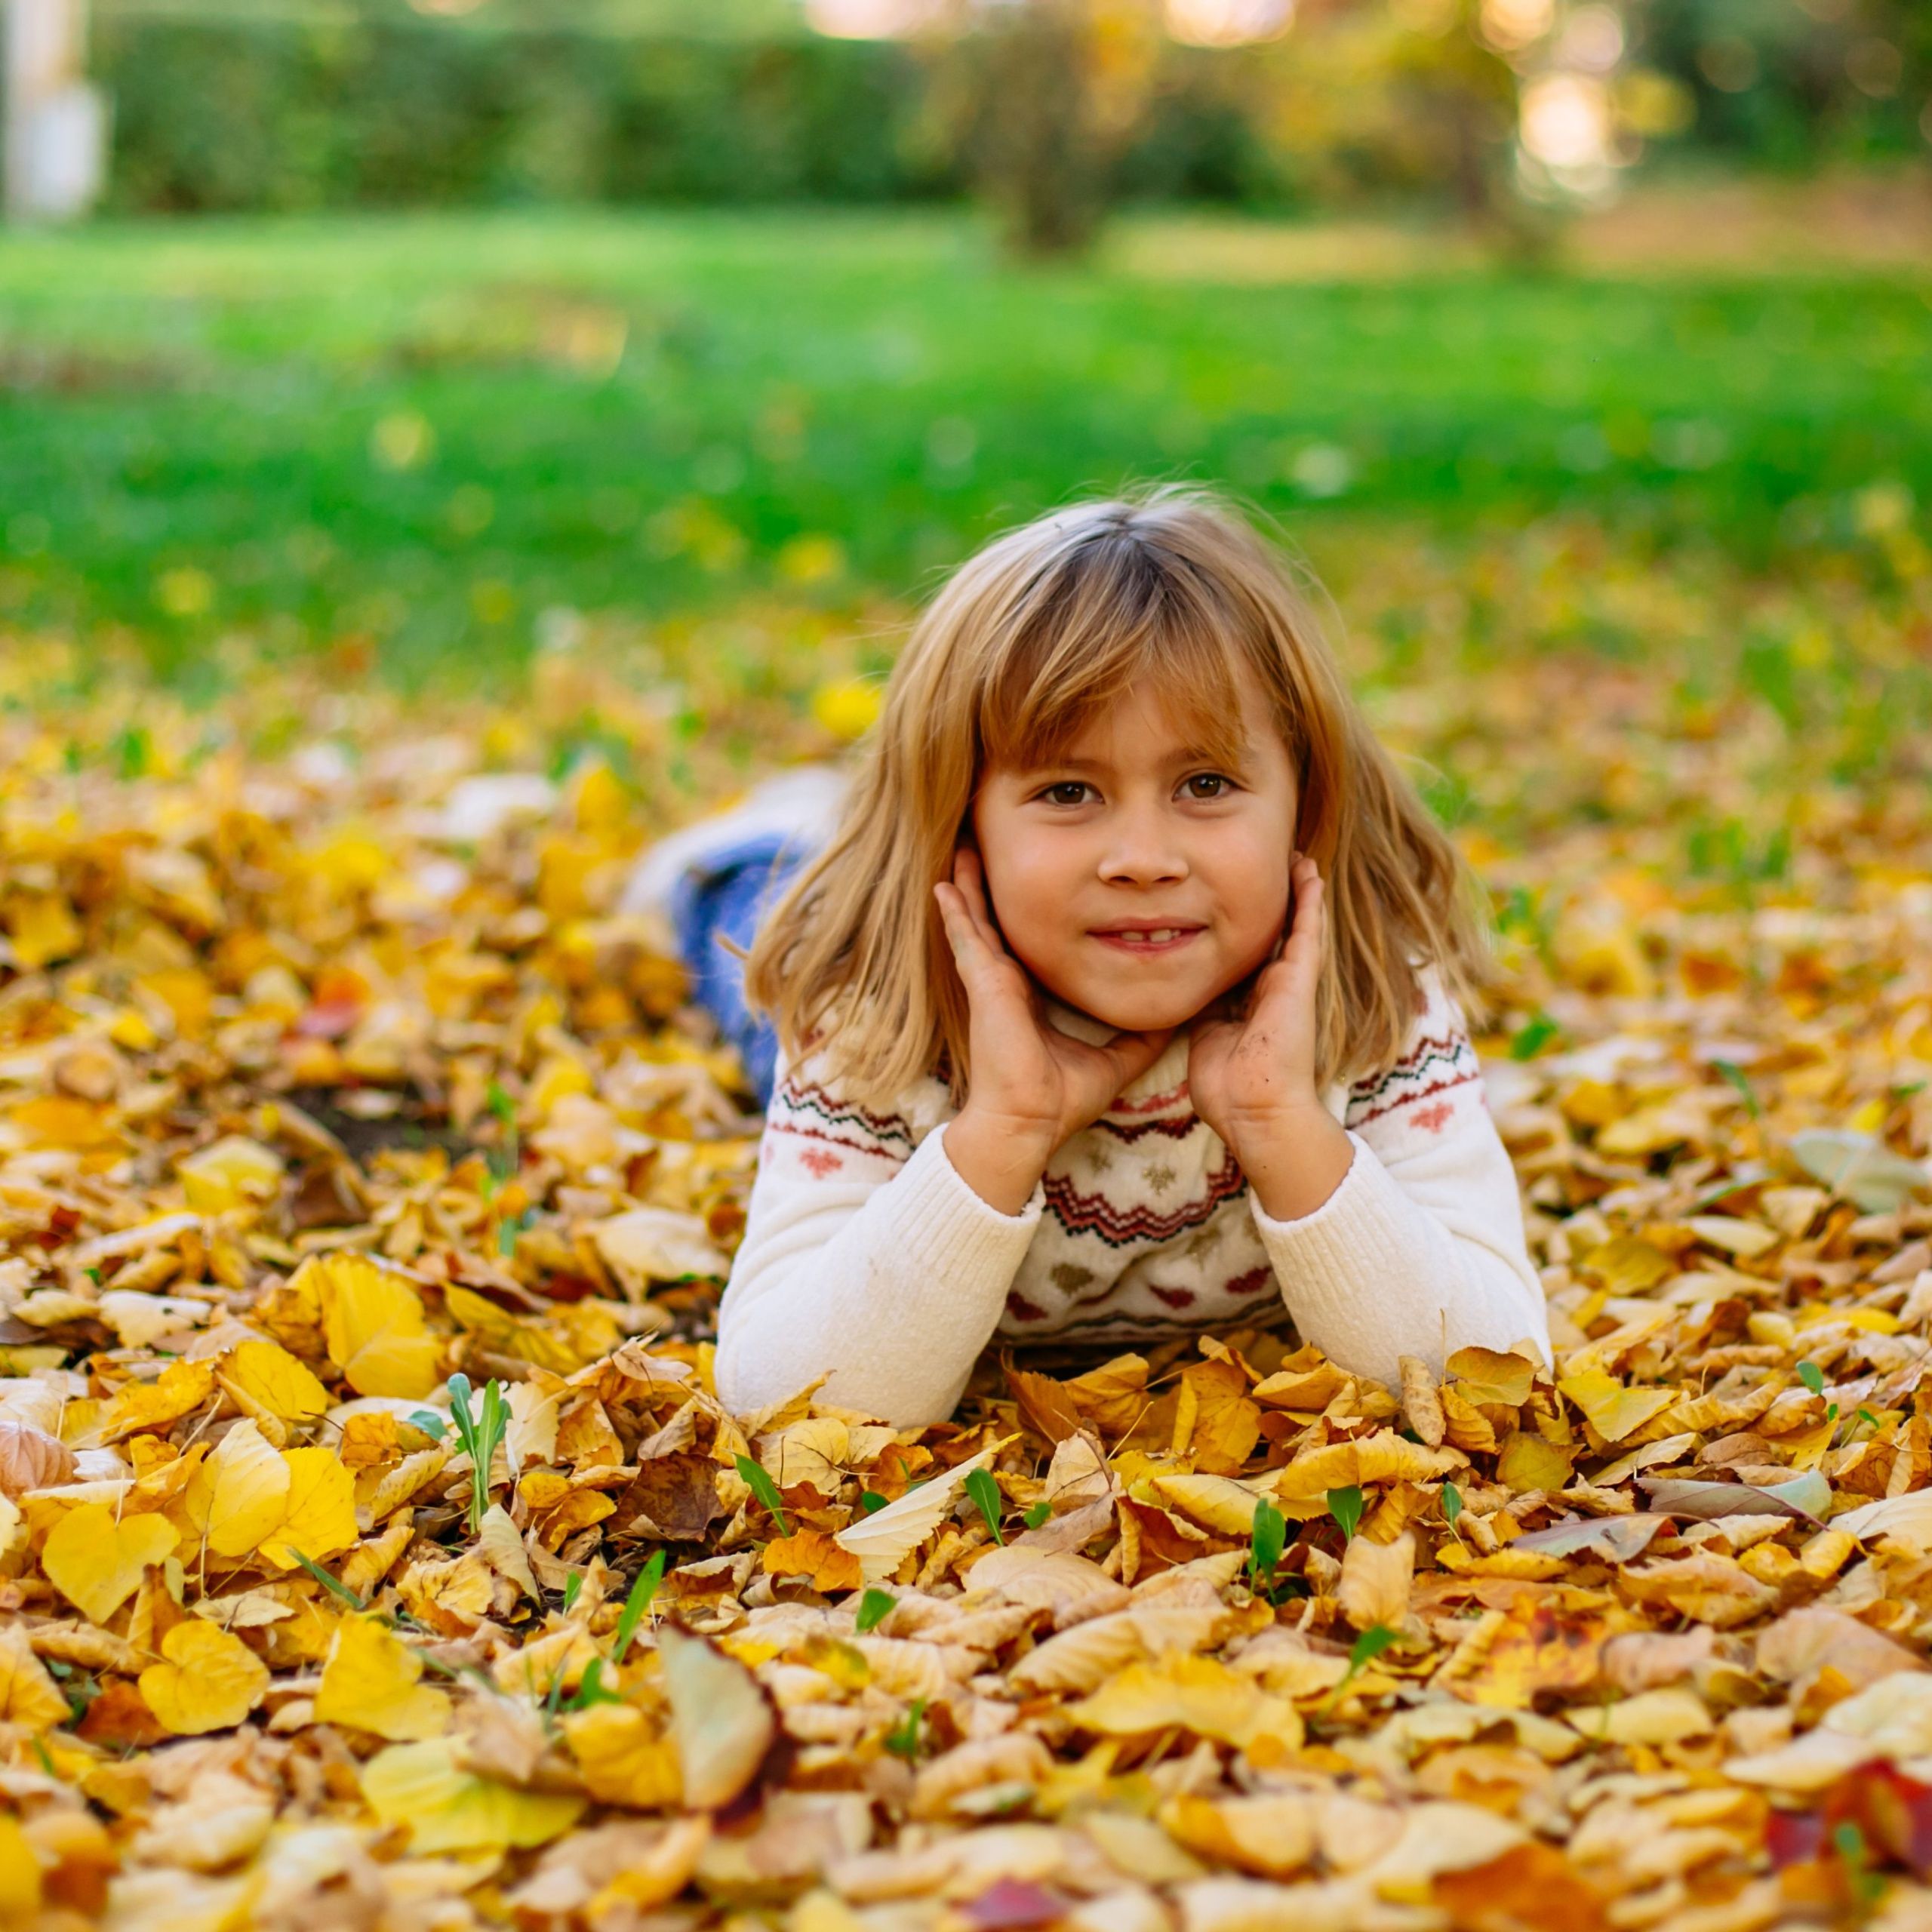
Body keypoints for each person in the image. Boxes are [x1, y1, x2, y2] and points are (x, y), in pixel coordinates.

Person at [629, 491, 1550, 1428]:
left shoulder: (1372, 998)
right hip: (925, 988)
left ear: (1305, 803)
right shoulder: (870, 1011)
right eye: (1069, 790)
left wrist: (1281, 1123)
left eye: (1205, 783)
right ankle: (735, 857)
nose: (1142, 858)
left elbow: (1494, 1378)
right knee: (767, 944)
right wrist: (1000, 1130)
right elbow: (787, 1411)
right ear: (960, 820)